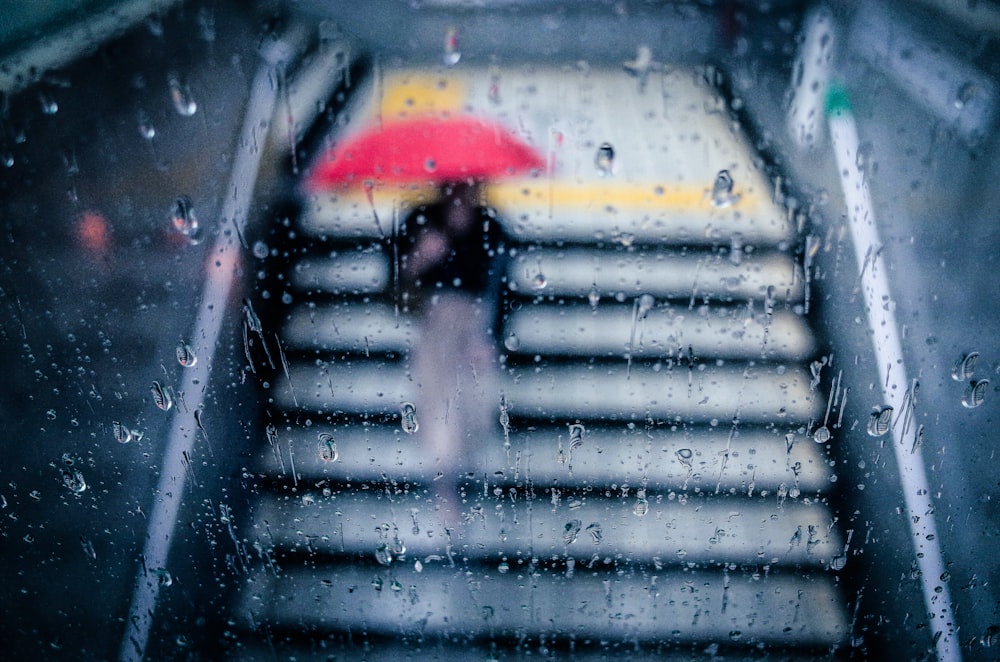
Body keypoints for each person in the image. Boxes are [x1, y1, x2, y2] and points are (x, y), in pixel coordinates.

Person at [399, 181, 507, 526]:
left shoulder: (491, 226)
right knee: (439, 408)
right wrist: (420, 258)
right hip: (435, 325)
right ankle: (446, 493)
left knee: (472, 411)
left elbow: (503, 287)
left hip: (476, 327)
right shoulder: (420, 220)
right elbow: (394, 290)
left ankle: (462, 486)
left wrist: (491, 337)